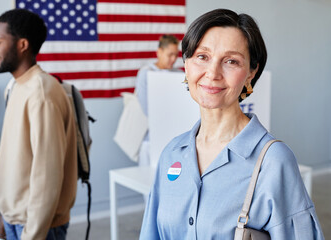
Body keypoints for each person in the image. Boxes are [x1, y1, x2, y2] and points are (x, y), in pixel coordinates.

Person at [139, 9, 325, 239]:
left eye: (231, 61)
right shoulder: (172, 153)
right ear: (186, 64)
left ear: (251, 72)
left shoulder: (273, 161)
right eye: (202, 56)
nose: (212, 73)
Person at [0, 9, 77, 240]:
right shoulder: (16, 86)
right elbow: (15, 161)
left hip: (37, 225)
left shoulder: (41, 93)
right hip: (15, 219)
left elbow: (47, 176)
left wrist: (33, 234)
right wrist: (4, 214)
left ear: (22, 44)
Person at [135, 34, 181, 167]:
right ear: (159, 52)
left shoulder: (179, 74)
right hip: (150, 138)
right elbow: (146, 108)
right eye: (169, 54)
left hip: (173, 137)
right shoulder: (146, 72)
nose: (173, 59)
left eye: (176, 55)